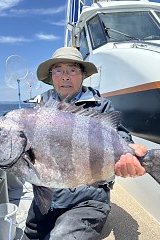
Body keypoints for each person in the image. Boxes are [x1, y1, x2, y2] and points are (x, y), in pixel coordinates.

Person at [22, 47, 147, 240]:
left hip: (89, 197)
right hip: (47, 198)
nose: (65, 76)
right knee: (30, 236)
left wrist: (130, 154)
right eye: (58, 70)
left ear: (82, 75)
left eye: (72, 70)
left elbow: (121, 137)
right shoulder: (39, 107)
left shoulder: (101, 106)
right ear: (51, 76)